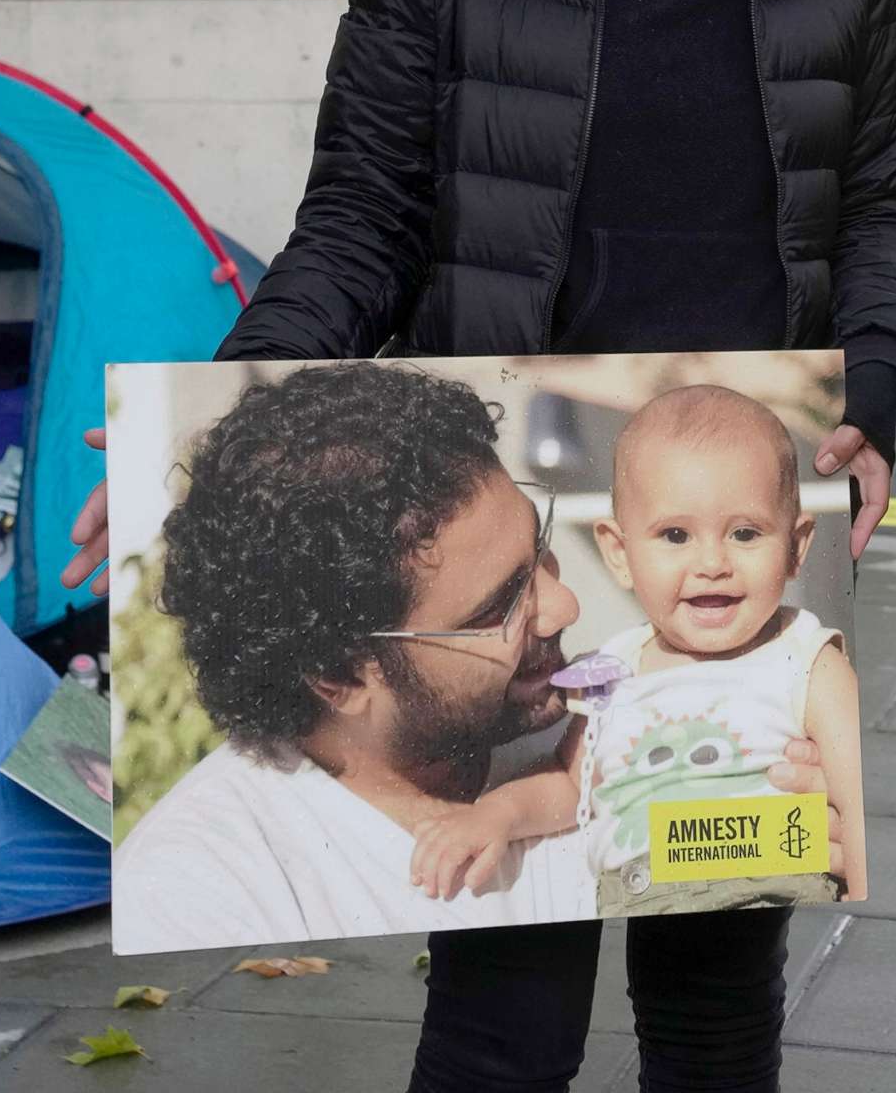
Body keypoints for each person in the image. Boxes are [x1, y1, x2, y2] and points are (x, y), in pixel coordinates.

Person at [61, 0, 896, 1093]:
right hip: (510, 507)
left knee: (722, 980)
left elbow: (882, 212)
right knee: (505, 1000)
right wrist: (205, 446)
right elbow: (360, 219)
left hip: (735, 499)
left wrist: (866, 406)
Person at [113, 362, 598, 950]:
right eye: (499, 608)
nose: (565, 606)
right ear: (340, 675)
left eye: (540, 548)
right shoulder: (204, 893)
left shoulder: (619, 724)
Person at [409, 384, 868, 916]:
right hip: (637, 896)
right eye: (675, 536)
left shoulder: (807, 661)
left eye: (745, 533)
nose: (712, 562)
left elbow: (858, 797)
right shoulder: (616, 671)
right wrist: (497, 815)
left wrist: (861, 897)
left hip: (767, 889)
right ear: (619, 553)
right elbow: (573, 784)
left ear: (795, 548)